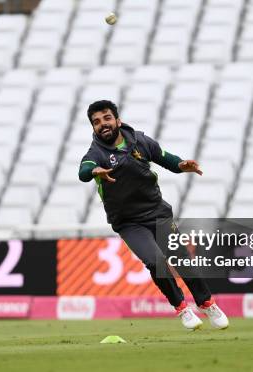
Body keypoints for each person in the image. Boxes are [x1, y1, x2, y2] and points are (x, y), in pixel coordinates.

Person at [78, 100, 229, 331]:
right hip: (128, 222)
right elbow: (84, 171)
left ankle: (207, 303)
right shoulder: (96, 153)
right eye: (96, 122)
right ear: (93, 128)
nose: (103, 125)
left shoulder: (140, 141)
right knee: (154, 261)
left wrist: (180, 164)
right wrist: (94, 170)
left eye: (107, 118)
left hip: (157, 213)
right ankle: (182, 308)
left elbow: (164, 157)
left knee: (181, 259)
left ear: (117, 120)